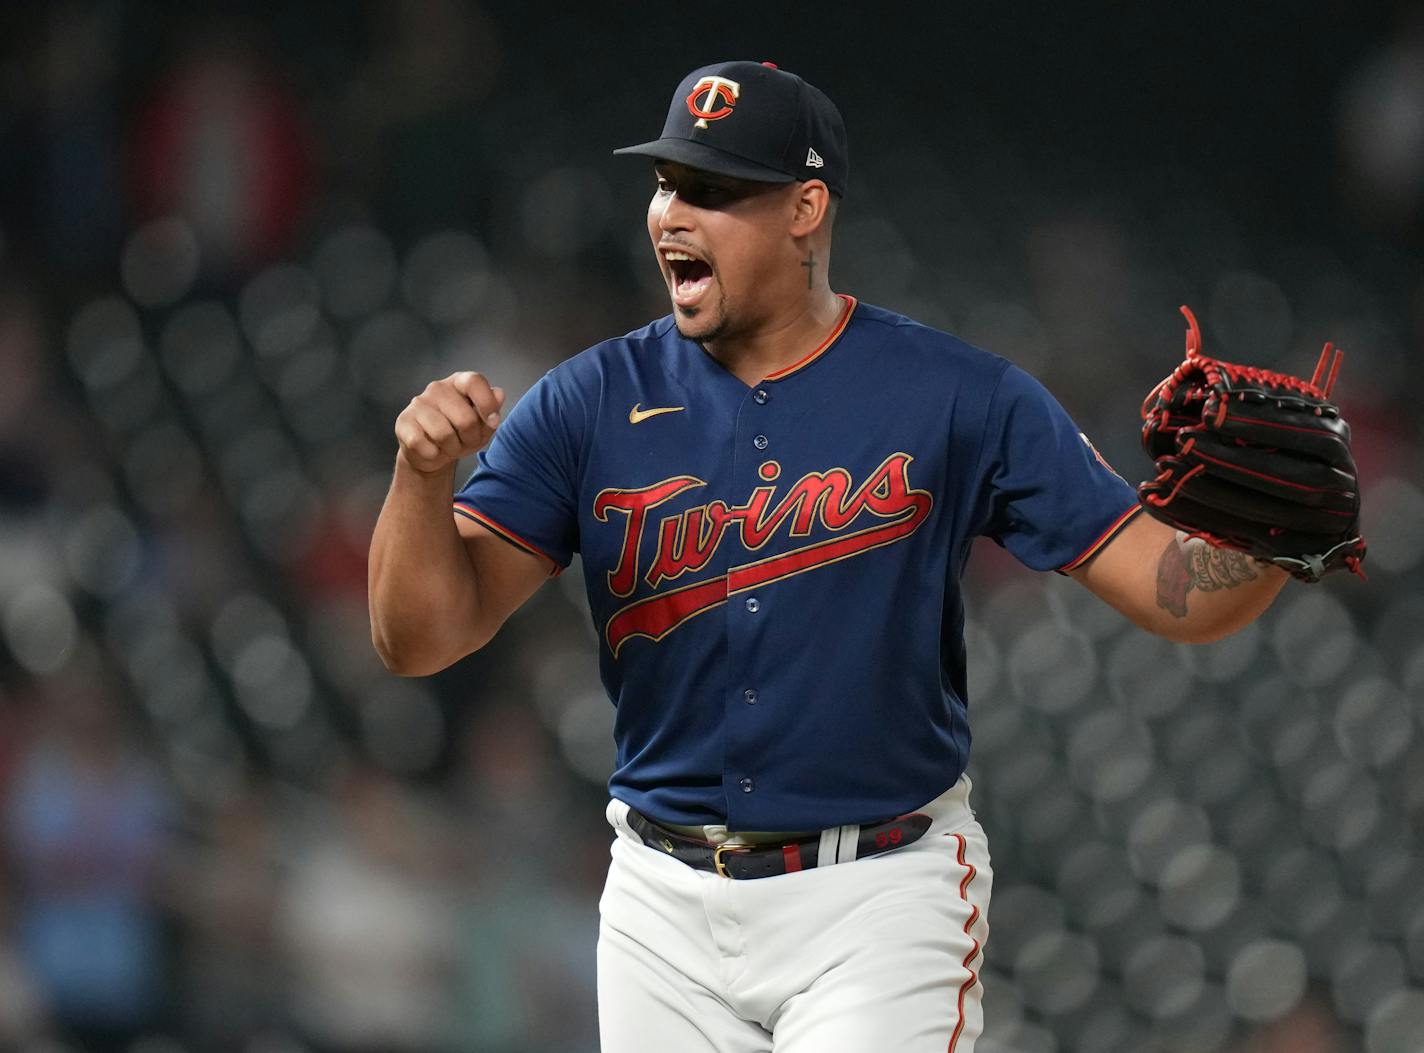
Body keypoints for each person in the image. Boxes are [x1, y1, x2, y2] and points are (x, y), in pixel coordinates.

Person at [368, 60, 1292, 1052]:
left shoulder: (956, 395)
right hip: (658, 900)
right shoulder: (585, 400)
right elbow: (418, 639)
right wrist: (420, 481)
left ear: (804, 209)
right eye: (667, 183)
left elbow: (1175, 591)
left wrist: (1279, 531)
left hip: (876, 898)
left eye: (713, 191)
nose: (673, 215)